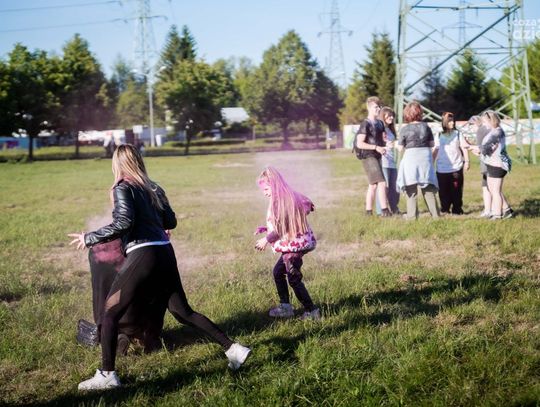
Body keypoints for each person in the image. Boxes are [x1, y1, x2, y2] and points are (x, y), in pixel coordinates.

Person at [69, 144, 250, 391]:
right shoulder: (153, 187)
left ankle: (107, 375)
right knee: (183, 312)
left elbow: (123, 223)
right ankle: (233, 349)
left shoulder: (123, 187)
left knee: (109, 312)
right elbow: (170, 221)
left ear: (117, 163)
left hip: (144, 254)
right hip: (165, 251)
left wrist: (89, 238)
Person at [254, 166, 320, 320]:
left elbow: (283, 226)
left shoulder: (282, 202)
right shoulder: (284, 198)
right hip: (292, 244)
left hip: (294, 246)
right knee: (278, 272)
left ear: (274, 186)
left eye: (266, 189)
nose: (264, 193)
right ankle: (285, 307)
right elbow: (282, 224)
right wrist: (267, 229)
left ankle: (312, 311)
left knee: (293, 278)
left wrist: (266, 239)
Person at [396, 101, 440, 219]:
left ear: (407, 113)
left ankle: (412, 217)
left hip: (410, 158)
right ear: (420, 112)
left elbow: (400, 148)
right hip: (425, 158)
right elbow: (432, 144)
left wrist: (395, 144)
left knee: (411, 189)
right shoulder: (426, 127)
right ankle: (436, 216)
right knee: (428, 187)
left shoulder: (405, 129)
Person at [468, 115, 514, 219]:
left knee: (495, 191)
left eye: (485, 122)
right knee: (494, 190)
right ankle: (507, 211)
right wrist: (477, 149)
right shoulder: (495, 131)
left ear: (491, 121)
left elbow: (487, 149)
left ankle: (497, 215)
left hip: (497, 164)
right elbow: (486, 149)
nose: (483, 124)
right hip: (492, 163)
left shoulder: (496, 132)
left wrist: (475, 148)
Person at [353, 96, 391, 216]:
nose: (378, 109)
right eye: (375, 107)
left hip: (377, 155)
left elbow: (382, 140)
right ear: (369, 108)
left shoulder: (380, 123)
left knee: (373, 185)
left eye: (379, 107)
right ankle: (385, 211)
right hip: (368, 156)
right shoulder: (365, 124)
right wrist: (376, 147)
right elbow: (359, 143)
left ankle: (368, 212)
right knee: (381, 182)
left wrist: (385, 144)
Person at [433, 112, 470, 215]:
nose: (452, 123)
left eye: (453, 121)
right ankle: (445, 209)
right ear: (444, 122)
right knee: (443, 191)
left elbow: (464, 148)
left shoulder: (458, 134)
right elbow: (435, 150)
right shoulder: (438, 135)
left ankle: (457, 210)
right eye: (449, 121)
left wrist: (467, 161)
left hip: (456, 167)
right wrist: (431, 163)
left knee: (456, 190)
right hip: (441, 168)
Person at [376, 107, 400, 214]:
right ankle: (381, 211)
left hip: (392, 162)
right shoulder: (379, 129)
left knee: (394, 188)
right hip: (383, 162)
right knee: (384, 187)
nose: (391, 118)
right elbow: (376, 144)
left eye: (392, 116)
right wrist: (386, 145)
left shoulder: (390, 129)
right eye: (389, 115)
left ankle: (394, 208)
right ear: (383, 116)